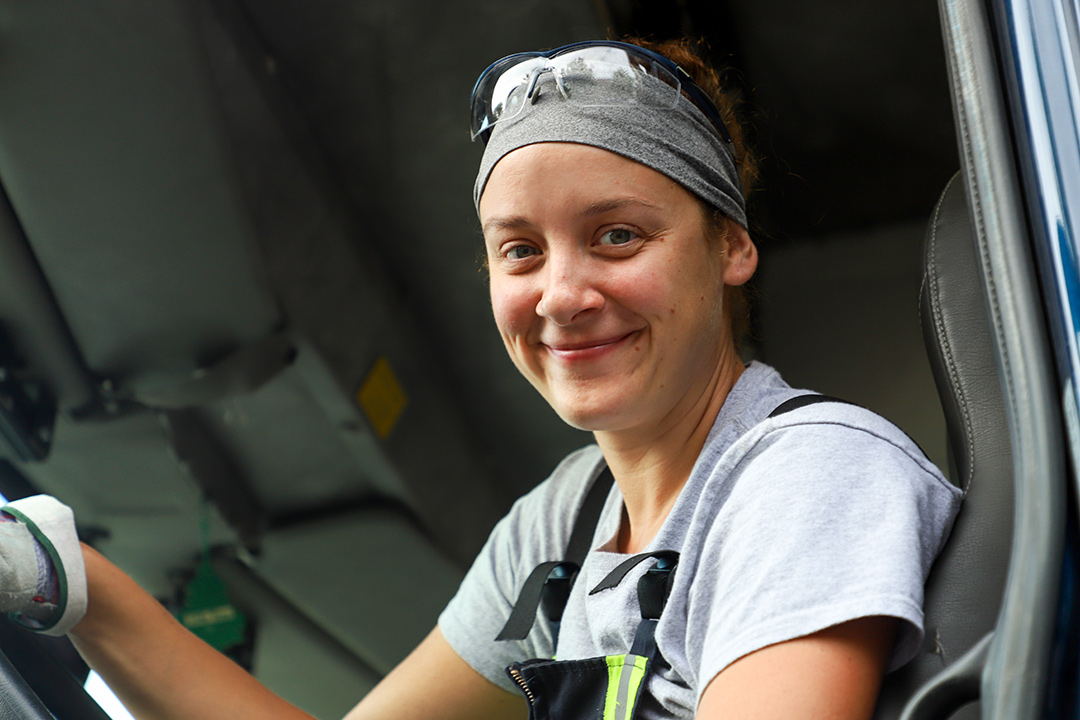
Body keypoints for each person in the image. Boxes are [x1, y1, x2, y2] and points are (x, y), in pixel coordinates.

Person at [0, 38, 961, 720]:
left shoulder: (807, 478)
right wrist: (76, 584)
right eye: (520, 252)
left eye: (616, 236)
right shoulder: (564, 530)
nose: (563, 295)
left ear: (731, 247)